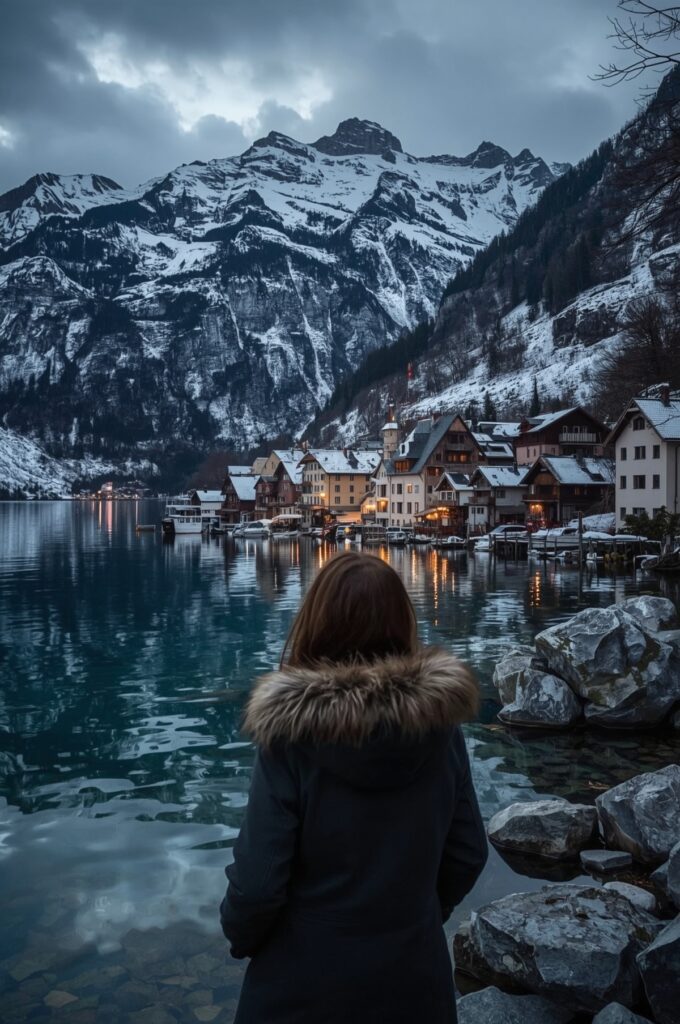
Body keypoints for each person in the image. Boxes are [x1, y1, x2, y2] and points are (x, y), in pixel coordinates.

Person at [220, 551, 487, 1024]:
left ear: (316, 624)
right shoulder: (441, 728)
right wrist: (418, 917)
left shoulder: (291, 737)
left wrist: (244, 940)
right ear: (402, 621)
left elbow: (258, 885)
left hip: (301, 988)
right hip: (414, 983)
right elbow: (467, 852)